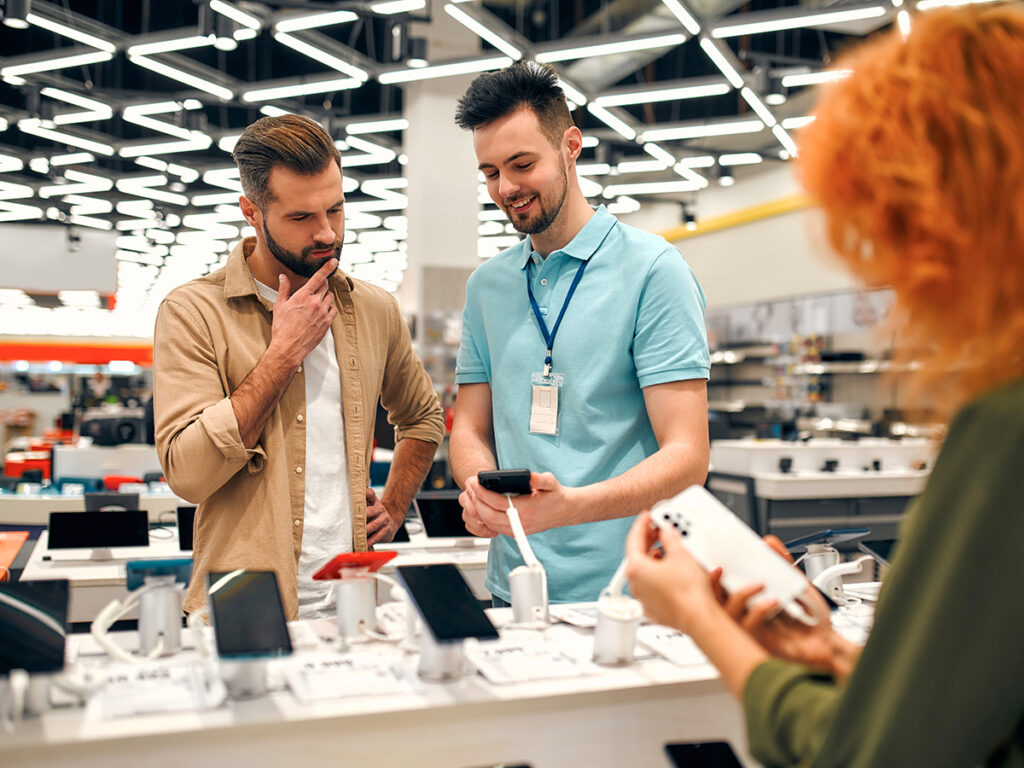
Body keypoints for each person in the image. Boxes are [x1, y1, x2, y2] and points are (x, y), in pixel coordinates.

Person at [625, 7, 1024, 766]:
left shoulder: (1006, 429)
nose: (885, 275)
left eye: (896, 233)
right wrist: (846, 661)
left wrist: (699, 615)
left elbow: (867, 758)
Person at [153, 115, 444, 620]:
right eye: (301, 217)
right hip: (241, 599)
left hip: (354, 597)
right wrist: (282, 355)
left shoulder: (375, 310)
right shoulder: (193, 311)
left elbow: (423, 418)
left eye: (335, 208)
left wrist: (395, 505)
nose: (326, 231)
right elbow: (188, 473)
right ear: (252, 211)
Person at [450, 61, 711, 605]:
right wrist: (479, 488)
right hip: (514, 585)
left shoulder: (653, 270)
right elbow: (470, 428)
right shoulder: (486, 287)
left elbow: (688, 456)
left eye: (522, 164)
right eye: (491, 172)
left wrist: (571, 506)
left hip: (631, 589)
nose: (507, 188)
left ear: (571, 144)